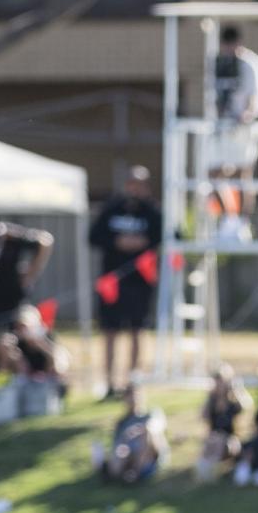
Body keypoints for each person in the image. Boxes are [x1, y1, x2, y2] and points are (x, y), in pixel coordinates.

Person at [89, 166, 162, 399]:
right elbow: (93, 237)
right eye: (131, 183)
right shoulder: (112, 208)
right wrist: (118, 242)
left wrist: (143, 243)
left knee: (137, 331)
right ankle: (110, 382)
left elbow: (166, 238)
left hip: (140, 282)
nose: (134, 188)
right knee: (110, 332)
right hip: (112, 282)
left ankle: (133, 382)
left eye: (139, 184)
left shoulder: (152, 212)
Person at [209, 24, 258, 235]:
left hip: (244, 127)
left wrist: (247, 114)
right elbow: (216, 95)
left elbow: (256, 96)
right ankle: (229, 217)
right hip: (224, 126)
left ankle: (243, 222)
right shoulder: (219, 63)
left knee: (242, 172)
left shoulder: (250, 63)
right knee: (215, 172)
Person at [0, 219, 54, 370]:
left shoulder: (15, 239)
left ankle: (23, 371)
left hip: (14, 297)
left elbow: (46, 241)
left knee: (15, 337)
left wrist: (31, 273)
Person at [0, 303, 70, 403]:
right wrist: (4, 352)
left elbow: (57, 362)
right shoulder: (17, 342)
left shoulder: (47, 337)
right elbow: (4, 371)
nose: (22, 329)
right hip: (28, 380)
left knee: (59, 362)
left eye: (25, 326)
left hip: (48, 379)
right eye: (19, 326)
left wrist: (40, 345)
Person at [99, 382, 169, 483]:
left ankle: (136, 473)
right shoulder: (122, 422)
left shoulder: (152, 413)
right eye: (129, 396)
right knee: (119, 450)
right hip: (130, 456)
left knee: (147, 432)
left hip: (150, 456)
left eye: (136, 395)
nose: (133, 399)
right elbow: (117, 446)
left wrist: (139, 430)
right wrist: (125, 438)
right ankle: (115, 474)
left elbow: (157, 427)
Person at [195, 365, 253, 481]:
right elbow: (202, 416)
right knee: (212, 440)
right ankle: (205, 473)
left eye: (221, 381)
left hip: (231, 441)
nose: (219, 385)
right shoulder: (212, 402)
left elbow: (247, 406)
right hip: (213, 439)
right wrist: (210, 396)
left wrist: (236, 389)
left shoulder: (233, 403)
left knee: (219, 440)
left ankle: (212, 473)